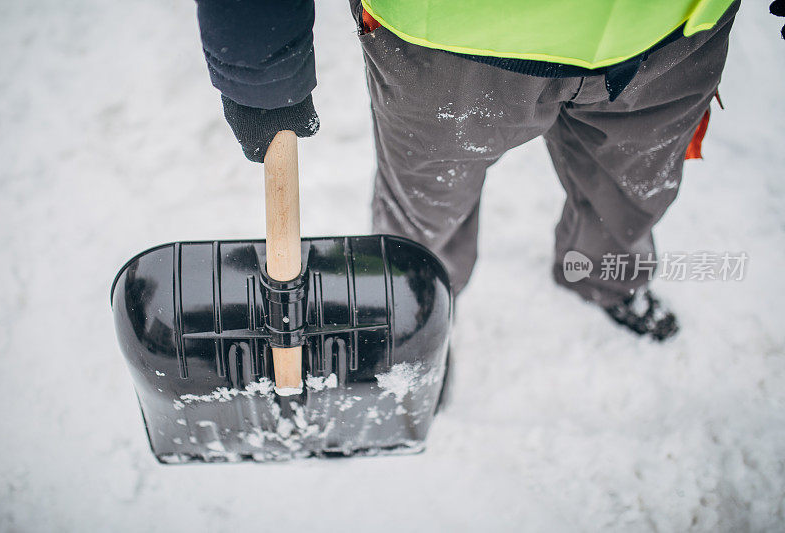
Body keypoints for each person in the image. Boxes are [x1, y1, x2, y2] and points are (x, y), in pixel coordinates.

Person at [193, 0, 767, 342]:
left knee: (635, 191)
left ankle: (604, 279)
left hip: (673, 35)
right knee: (425, 208)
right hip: (445, 39)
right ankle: (416, 312)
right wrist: (259, 73)